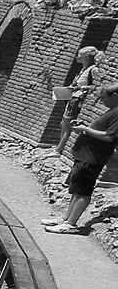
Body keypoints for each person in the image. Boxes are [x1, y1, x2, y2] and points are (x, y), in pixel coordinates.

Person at [50, 46, 118, 234]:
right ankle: (65, 218)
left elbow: (109, 137)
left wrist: (85, 129)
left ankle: (71, 225)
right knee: (76, 188)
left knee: (84, 191)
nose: (102, 102)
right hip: (85, 155)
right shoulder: (113, 110)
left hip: (93, 158)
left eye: (105, 98)